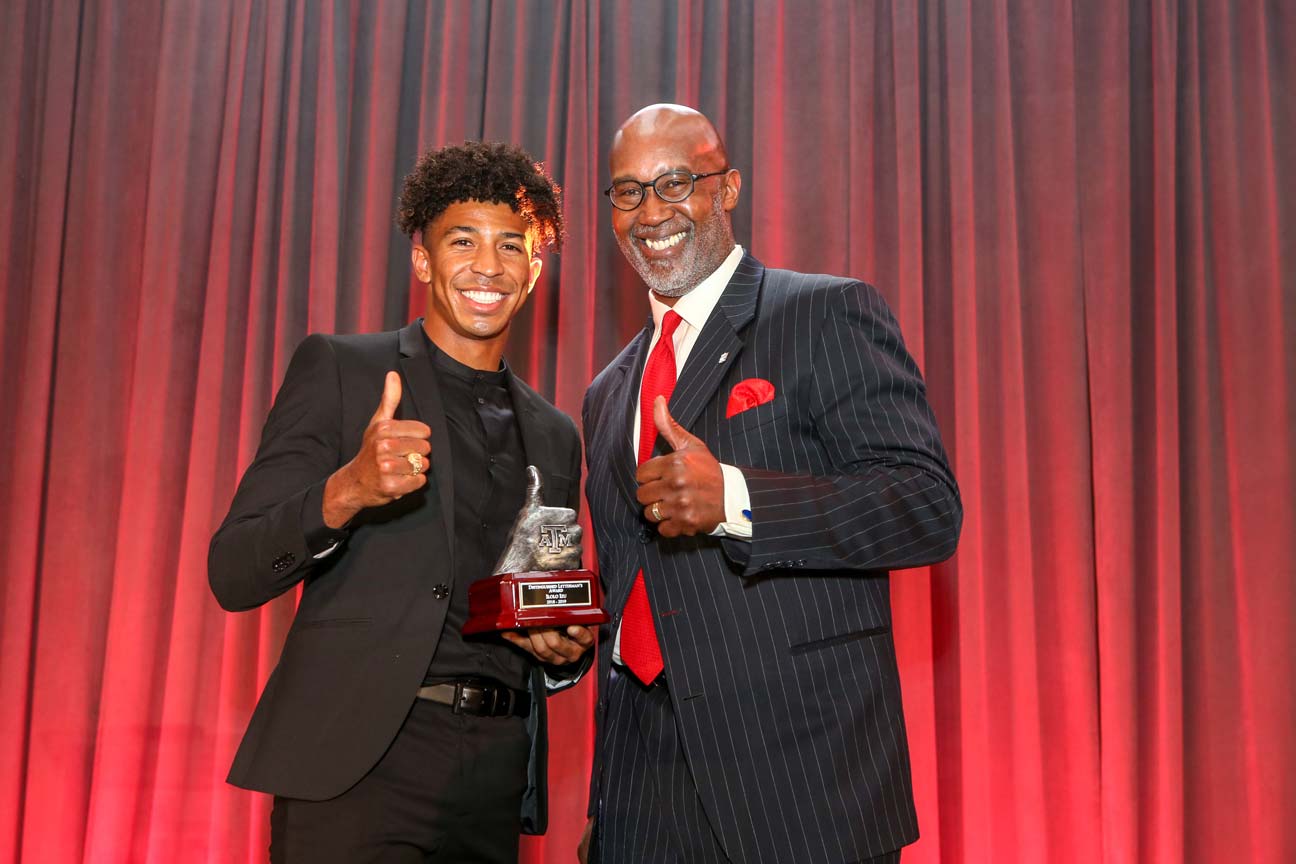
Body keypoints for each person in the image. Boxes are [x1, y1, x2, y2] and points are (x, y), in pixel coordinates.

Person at [579, 104, 962, 864]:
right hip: (642, 798)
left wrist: (737, 501)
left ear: (727, 189)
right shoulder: (606, 391)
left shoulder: (824, 311)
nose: (651, 213)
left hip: (800, 789)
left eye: (675, 183)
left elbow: (925, 507)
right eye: (628, 192)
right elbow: (637, 584)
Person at [208, 140, 594, 863]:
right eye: (463, 241)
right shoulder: (344, 371)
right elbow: (233, 569)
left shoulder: (556, 435)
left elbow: (545, 598)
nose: (488, 265)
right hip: (359, 767)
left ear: (534, 270)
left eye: (512, 245)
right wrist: (345, 491)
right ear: (423, 261)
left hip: (493, 777)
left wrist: (564, 647)